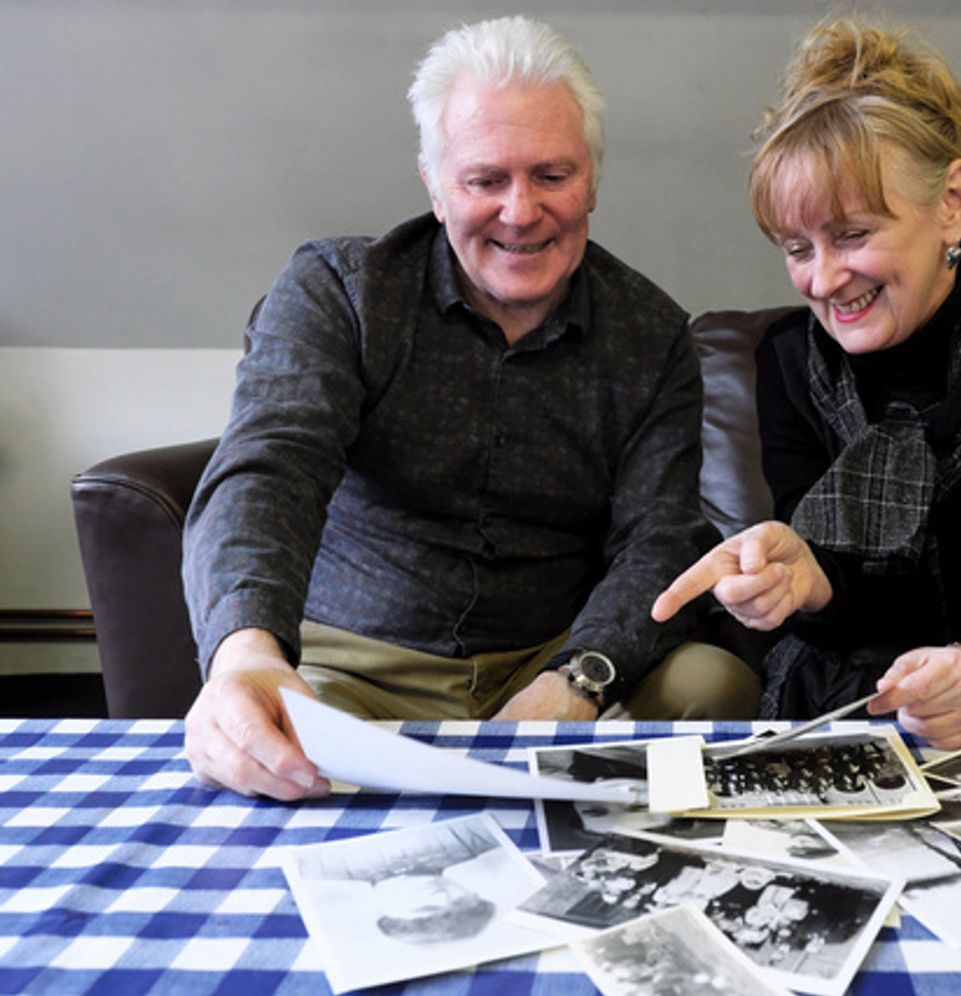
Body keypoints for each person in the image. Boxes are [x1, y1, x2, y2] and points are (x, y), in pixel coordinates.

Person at [182, 16, 759, 801]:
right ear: (434, 182)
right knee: (280, 756)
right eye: (486, 180)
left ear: (592, 179)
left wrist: (578, 680)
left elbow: (657, 541)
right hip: (353, 663)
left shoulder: (652, 334)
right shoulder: (339, 291)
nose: (520, 212)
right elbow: (267, 469)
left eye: (551, 175)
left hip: (552, 654)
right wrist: (246, 653)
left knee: (712, 682)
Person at [653, 16, 961, 750]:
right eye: (797, 248)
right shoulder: (789, 361)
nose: (824, 280)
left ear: (952, 202)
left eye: (852, 234)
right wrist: (810, 580)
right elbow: (850, 612)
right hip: (862, 683)